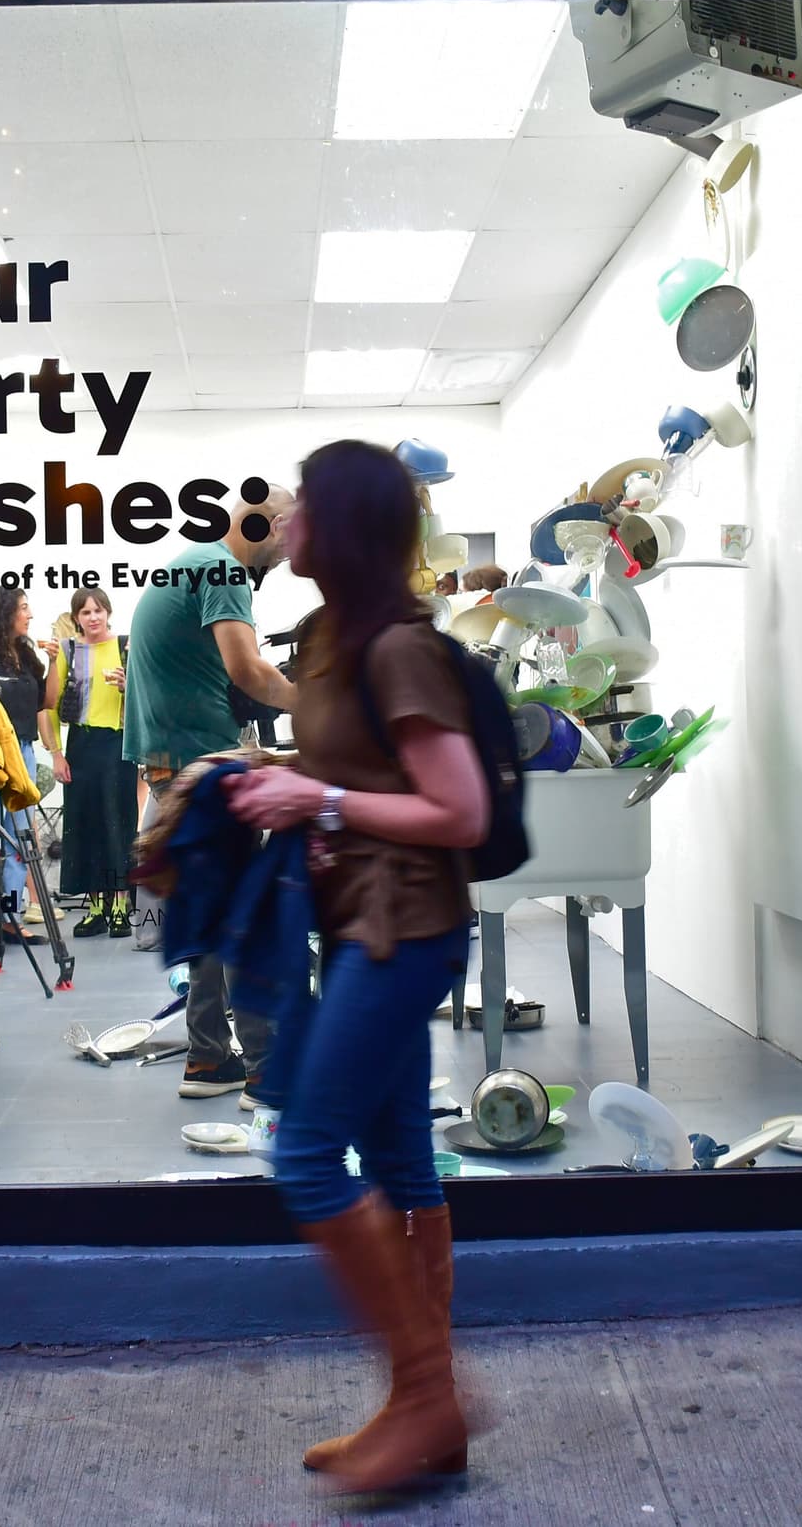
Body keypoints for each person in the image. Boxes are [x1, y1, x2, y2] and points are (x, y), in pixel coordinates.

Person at [223, 441, 486, 1492]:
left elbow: (456, 811)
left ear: (342, 526)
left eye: (301, 506)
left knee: (303, 1155)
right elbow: (353, 770)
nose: (282, 520)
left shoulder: (398, 649)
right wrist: (266, 777)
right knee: (402, 1170)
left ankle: (428, 1397)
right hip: (357, 925)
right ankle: (429, 1417)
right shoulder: (333, 636)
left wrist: (315, 800)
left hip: (405, 929)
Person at [122, 490, 299, 1100]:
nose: (285, 556)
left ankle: (206, 1057)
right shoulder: (223, 568)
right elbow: (250, 671)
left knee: (216, 909)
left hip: (177, 757)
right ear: (271, 525)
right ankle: (265, 1068)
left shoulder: (190, 561)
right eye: (286, 539)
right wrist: (324, 710)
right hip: (200, 759)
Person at [43, 587, 133, 937]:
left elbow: (148, 695)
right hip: (80, 743)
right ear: (76, 618)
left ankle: (121, 906)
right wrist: (55, 753)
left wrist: (130, 686)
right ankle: (96, 906)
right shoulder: (68, 650)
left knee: (118, 825)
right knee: (85, 826)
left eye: (98, 611)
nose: (93, 617)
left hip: (117, 741)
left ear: (108, 612)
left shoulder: (126, 646)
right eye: (85, 612)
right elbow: (48, 704)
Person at [0, 582, 53, 942]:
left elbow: (45, 703)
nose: (30, 614)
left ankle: (11, 914)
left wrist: (54, 662)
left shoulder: (27, 656)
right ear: (6, 612)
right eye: (24, 607)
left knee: (21, 836)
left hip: (22, 750)